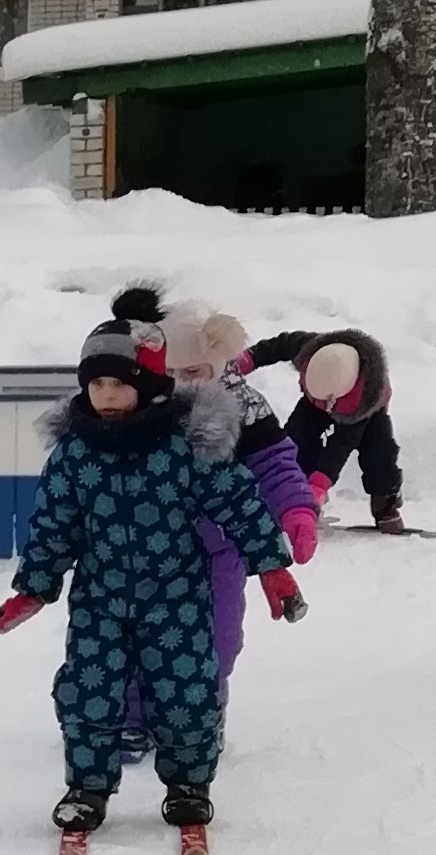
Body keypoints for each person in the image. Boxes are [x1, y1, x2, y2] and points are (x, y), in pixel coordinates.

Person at [0, 317, 299, 841]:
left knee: (186, 690)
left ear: (148, 384)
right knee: (88, 690)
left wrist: (272, 567)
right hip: (100, 599)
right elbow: (53, 525)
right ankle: (87, 788)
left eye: (119, 383)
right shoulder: (74, 455)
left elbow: (239, 502)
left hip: (176, 595)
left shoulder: (183, 447)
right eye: (97, 384)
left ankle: (187, 784)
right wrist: (34, 587)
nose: (107, 396)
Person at [111, 287, 319, 756]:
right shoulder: (140, 410)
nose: (188, 383)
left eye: (197, 372)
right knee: (139, 636)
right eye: (176, 373)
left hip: (219, 549)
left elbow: (275, 463)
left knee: (219, 638)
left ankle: (200, 715)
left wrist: (296, 509)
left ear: (218, 366)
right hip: (148, 550)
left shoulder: (244, 407)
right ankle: (133, 715)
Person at [241, 324, 402, 533]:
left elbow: (339, 447)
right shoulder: (310, 349)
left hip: (366, 411)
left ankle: (386, 503)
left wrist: (319, 485)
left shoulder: (364, 398)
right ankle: (294, 496)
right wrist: (247, 359)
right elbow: (278, 345)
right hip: (317, 399)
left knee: (379, 452)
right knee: (296, 439)